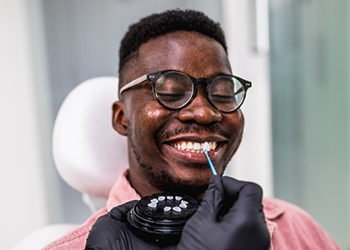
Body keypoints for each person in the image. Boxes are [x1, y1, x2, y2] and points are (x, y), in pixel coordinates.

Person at [43, 9, 341, 250]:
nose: (204, 112)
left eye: (223, 92)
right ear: (122, 118)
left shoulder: (296, 225)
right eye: (170, 91)